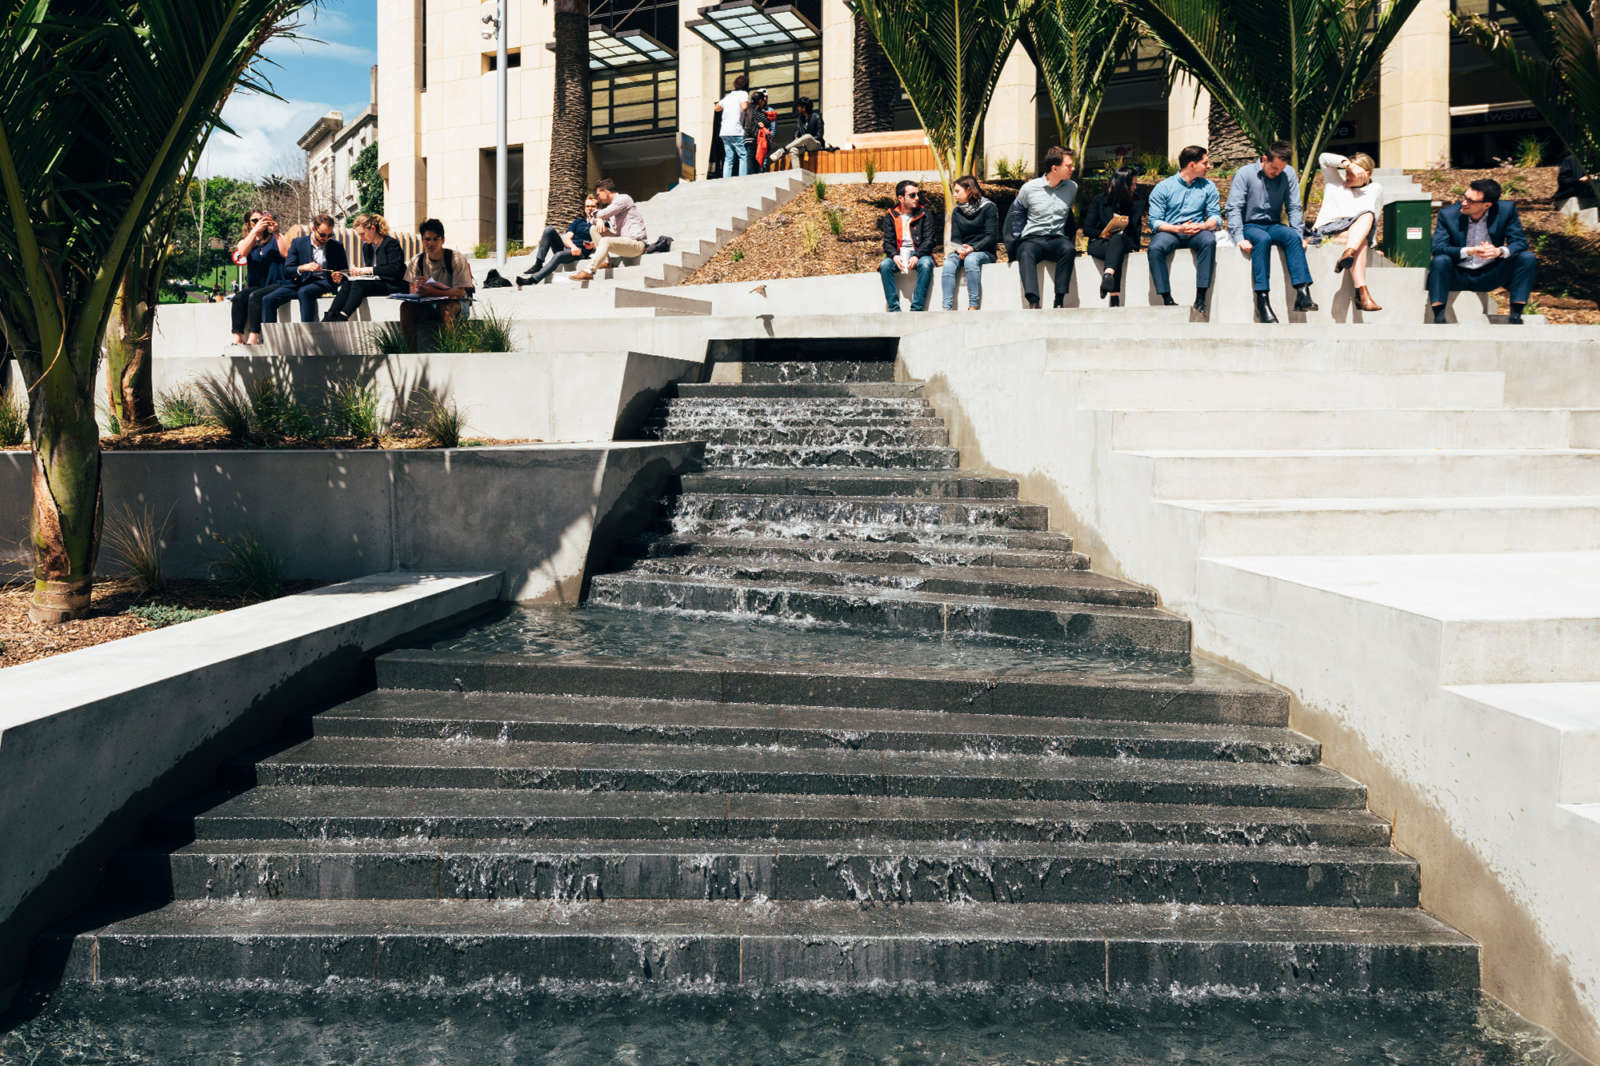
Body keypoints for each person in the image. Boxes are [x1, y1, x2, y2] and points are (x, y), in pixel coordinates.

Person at [1227, 140, 1317, 323]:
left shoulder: (1288, 173)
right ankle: (1262, 302)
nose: (1277, 173)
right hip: (1250, 225)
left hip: (1274, 224)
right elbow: (1233, 207)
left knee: (1292, 236)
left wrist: (1299, 234)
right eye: (1274, 168)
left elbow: (1293, 206)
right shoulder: (1245, 174)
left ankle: (1302, 293)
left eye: (1281, 169)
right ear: (1264, 159)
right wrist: (1239, 237)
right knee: (1263, 239)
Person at [1428, 178, 1537, 325]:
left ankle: (1516, 316)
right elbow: (1438, 248)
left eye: (1470, 201)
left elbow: (1520, 242)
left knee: (1527, 258)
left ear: (1487, 205)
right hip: (1458, 275)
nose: (1464, 203)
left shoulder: (1506, 210)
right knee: (1440, 260)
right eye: (1464, 197)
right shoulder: (1448, 214)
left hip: (1490, 274)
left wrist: (1499, 251)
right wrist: (1469, 251)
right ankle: (1439, 317)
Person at [1147, 145, 1223, 313]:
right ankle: (1167, 298)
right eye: (1205, 163)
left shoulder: (1208, 187)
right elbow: (1154, 221)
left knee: (1209, 240)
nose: (1209, 166)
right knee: (1155, 248)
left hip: (1197, 231)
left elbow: (1216, 217)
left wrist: (1202, 226)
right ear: (1191, 165)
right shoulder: (1163, 187)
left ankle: (1201, 297)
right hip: (1171, 232)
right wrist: (1178, 229)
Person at [1006, 146, 1079, 309]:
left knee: (1068, 249)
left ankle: (1059, 300)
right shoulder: (1029, 188)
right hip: (1033, 239)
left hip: (1057, 238)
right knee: (1025, 252)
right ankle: (1033, 301)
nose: (1072, 168)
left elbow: (1069, 215)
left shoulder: (1072, 187)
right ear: (1054, 168)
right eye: (1068, 166)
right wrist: (1014, 239)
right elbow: (1016, 213)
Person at [1312, 151, 1384, 312]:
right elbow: (1323, 158)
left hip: (1354, 233)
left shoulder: (1375, 189)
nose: (1348, 176)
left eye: (1353, 174)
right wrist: (1348, 164)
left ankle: (1348, 254)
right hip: (1327, 232)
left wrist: (1373, 247)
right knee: (1361, 237)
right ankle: (1361, 294)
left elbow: (1374, 217)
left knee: (1367, 216)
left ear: (1367, 174)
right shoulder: (1335, 182)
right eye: (1347, 172)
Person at [400, 217, 475, 349]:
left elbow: (460, 291)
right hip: (427, 304)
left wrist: (433, 291)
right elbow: (412, 292)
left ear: (443, 240)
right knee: (405, 307)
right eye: (427, 239)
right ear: (422, 240)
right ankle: (410, 352)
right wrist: (418, 289)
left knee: (446, 310)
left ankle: (452, 350)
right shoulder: (416, 261)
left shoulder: (455, 258)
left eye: (436, 239)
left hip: (457, 304)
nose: (431, 243)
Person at [262, 213, 350, 325]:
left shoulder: (337, 246)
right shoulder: (298, 243)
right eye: (323, 235)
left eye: (330, 235)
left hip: (324, 282)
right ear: (313, 229)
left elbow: (344, 271)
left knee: (305, 292)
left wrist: (338, 276)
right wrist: (303, 267)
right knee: (268, 299)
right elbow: (288, 270)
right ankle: (270, 335)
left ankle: (309, 331)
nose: (326, 238)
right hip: (299, 283)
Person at [322, 213, 407, 322]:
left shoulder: (390, 244)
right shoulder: (367, 247)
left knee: (359, 284)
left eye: (362, 234)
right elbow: (371, 272)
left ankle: (342, 316)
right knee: (347, 283)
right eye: (359, 235)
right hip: (377, 283)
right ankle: (329, 316)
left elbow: (396, 270)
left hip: (393, 284)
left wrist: (367, 270)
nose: (361, 238)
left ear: (373, 229)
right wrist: (356, 273)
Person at [1083, 166, 1144, 307]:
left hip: (1125, 241)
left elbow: (1135, 230)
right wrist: (1103, 234)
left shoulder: (1136, 202)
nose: (1135, 187)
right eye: (1133, 184)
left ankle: (1108, 276)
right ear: (1123, 186)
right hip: (1100, 243)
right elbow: (1087, 229)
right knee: (1115, 249)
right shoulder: (1099, 200)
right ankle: (1113, 292)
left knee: (1117, 241)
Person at [229, 209, 290, 345]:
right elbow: (242, 252)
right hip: (256, 285)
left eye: (261, 219)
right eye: (254, 221)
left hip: (277, 283)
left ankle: (254, 336)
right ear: (248, 224)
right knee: (238, 298)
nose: (259, 222)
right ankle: (237, 337)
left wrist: (275, 232)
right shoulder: (246, 241)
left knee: (255, 297)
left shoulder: (276, 237)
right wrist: (255, 231)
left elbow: (286, 253)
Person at [940, 176, 998, 311]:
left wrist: (973, 248)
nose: (954, 195)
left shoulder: (988, 207)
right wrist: (960, 249)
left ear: (969, 190)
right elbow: (955, 238)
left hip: (984, 251)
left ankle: (973, 305)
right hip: (963, 251)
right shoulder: (957, 211)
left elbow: (991, 236)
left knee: (971, 260)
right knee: (948, 263)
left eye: (957, 191)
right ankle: (946, 308)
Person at [571, 179, 647, 281]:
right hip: (623, 242)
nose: (598, 198)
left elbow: (603, 213)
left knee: (605, 240)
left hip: (636, 244)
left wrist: (598, 217)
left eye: (598, 194)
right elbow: (594, 219)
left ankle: (589, 271)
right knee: (594, 229)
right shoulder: (611, 206)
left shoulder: (623, 199)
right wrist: (598, 220)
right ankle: (606, 261)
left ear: (605, 191)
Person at [878, 179, 936, 312]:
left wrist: (917, 255)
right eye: (912, 195)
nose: (917, 198)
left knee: (926, 264)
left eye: (917, 194)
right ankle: (894, 310)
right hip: (899, 253)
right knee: (885, 266)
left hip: (920, 253)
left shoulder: (924, 213)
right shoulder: (891, 215)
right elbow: (888, 242)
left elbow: (930, 240)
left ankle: (916, 309)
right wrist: (894, 256)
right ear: (901, 198)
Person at [517, 197, 598, 287]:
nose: (590, 208)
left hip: (579, 252)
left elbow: (602, 240)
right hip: (569, 248)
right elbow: (567, 238)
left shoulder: (600, 223)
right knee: (549, 230)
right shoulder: (578, 222)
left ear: (597, 208)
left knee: (558, 255)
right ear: (585, 208)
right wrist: (572, 246)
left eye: (593, 206)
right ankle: (538, 264)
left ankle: (532, 280)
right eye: (587, 206)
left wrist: (592, 245)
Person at [770, 96, 824, 169]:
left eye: (799, 106)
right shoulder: (800, 119)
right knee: (793, 150)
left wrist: (805, 140)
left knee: (807, 136)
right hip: (804, 146)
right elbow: (797, 133)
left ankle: (782, 150)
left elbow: (820, 135)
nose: (797, 108)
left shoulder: (816, 116)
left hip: (816, 144)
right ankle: (797, 171)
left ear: (804, 107)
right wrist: (797, 137)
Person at [714, 74, 751, 178]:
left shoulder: (728, 96)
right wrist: (749, 105)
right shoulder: (743, 94)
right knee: (743, 155)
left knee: (728, 158)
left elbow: (716, 108)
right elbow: (744, 107)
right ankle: (743, 178)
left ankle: (726, 179)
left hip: (724, 132)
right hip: (736, 130)